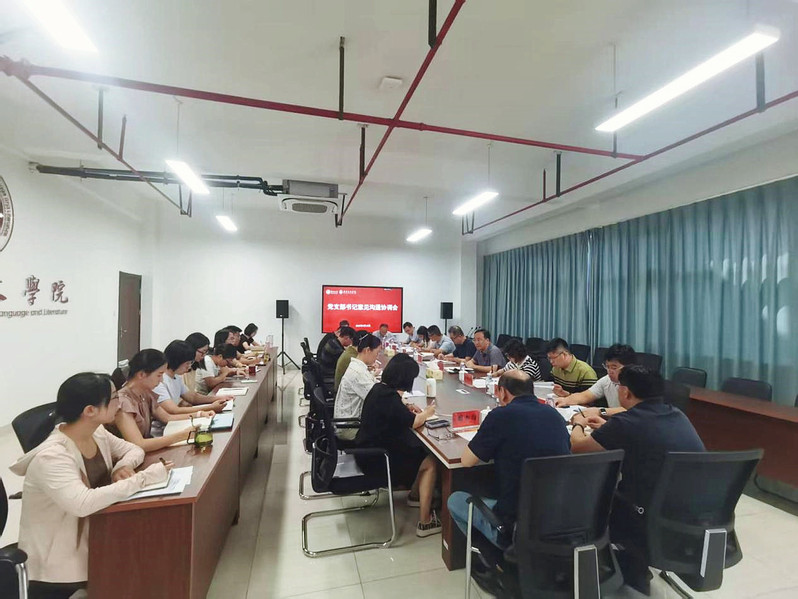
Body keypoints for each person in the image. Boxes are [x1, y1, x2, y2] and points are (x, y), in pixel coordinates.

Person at [10, 373, 171, 599]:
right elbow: (83, 503)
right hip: (58, 555)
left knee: (151, 544)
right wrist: (142, 479)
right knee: (141, 560)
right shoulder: (52, 457)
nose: (119, 403)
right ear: (90, 410)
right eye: (114, 398)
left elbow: (134, 450)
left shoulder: (97, 432)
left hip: (95, 530)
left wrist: (120, 468)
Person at [570, 365, 705, 594]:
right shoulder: (676, 414)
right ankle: (634, 564)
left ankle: (621, 565)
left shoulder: (627, 422)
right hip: (693, 507)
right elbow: (644, 436)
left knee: (593, 493)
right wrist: (608, 429)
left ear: (625, 392)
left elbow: (578, 447)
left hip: (648, 509)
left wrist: (578, 423)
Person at [447, 370, 570, 548]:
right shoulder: (555, 415)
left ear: (503, 392)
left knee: (456, 500)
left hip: (514, 522)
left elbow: (467, 461)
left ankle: (495, 553)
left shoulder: (500, 416)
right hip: (556, 517)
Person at [354, 353, 439, 537]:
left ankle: (415, 496)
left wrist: (405, 408)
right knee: (430, 462)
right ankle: (425, 522)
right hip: (377, 460)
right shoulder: (389, 398)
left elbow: (395, 411)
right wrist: (428, 412)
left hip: (367, 451)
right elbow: (414, 422)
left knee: (420, 450)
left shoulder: (380, 389)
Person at [108, 349, 213, 452]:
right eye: (159, 375)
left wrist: (200, 414)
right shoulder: (122, 402)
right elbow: (139, 444)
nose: (161, 380)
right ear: (141, 375)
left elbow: (167, 417)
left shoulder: (146, 393)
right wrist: (181, 436)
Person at [151, 340, 228, 435]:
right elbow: (173, 411)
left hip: (176, 424)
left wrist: (218, 398)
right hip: (163, 431)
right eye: (187, 363)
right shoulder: (159, 381)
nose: (189, 367)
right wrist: (209, 408)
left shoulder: (176, 376)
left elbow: (193, 397)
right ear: (177, 361)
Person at [556, 344, 636, 413]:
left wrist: (600, 411)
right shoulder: (607, 380)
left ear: (628, 367)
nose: (609, 371)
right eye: (607, 367)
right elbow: (585, 395)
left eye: (614, 368)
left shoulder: (637, 382)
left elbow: (630, 410)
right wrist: (565, 400)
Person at [334, 333, 381, 439]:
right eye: (377, 353)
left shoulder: (357, 366)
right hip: (350, 429)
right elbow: (378, 400)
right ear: (367, 350)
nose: (377, 357)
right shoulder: (358, 372)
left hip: (349, 423)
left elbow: (373, 387)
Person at [333, 326, 359, 391]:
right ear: (346, 338)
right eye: (351, 340)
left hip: (331, 374)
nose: (351, 343)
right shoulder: (337, 349)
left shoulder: (334, 342)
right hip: (334, 380)